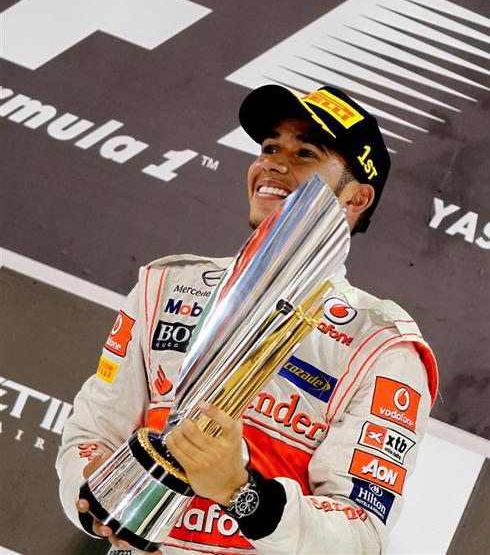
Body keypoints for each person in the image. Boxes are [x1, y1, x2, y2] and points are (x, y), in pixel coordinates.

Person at [56, 84, 438, 555]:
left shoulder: (381, 345)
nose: (274, 164)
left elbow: (360, 534)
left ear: (356, 198)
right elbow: (92, 434)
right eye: (270, 148)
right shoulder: (167, 286)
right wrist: (95, 496)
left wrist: (241, 492)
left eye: (305, 154)